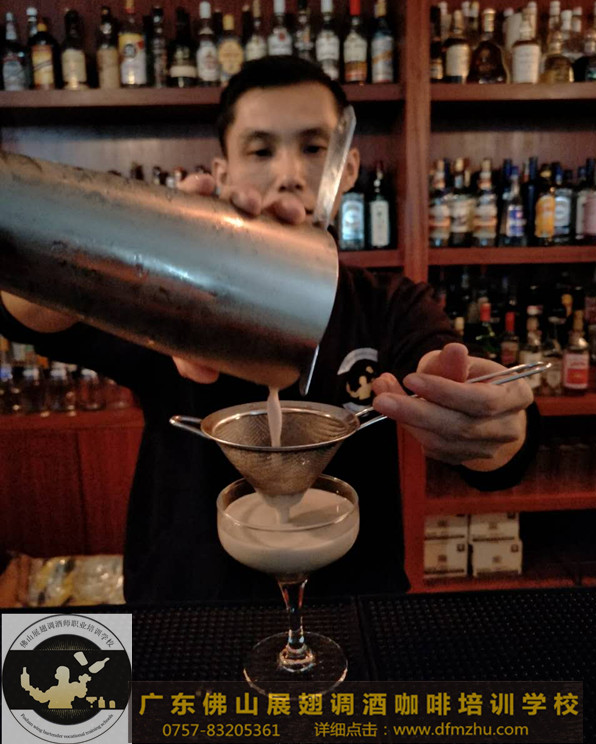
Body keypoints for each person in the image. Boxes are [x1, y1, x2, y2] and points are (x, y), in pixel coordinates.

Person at [0, 56, 537, 602]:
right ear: (223, 172)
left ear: (349, 168)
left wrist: (484, 421)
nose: (289, 174)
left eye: (314, 147)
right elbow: (29, 315)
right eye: (260, 151)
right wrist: (141, 255)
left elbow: (491, 433)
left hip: (352, 612)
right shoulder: (167, 297)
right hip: (187, 610)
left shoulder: (391, 304)